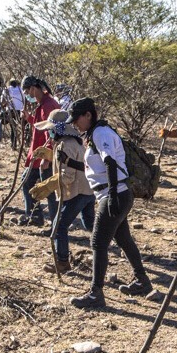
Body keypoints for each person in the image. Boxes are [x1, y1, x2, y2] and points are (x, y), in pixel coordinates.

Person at [66, 97, 153, 309]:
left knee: (97, 242)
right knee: (123, 238)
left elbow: (110, 162)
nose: (75, 124)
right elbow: (97, 166)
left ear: (88, 115)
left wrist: (112, 195)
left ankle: (96, 293)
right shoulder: (95, 133)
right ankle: (142, 282)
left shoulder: (101, 133)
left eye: (77, 119)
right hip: (114, 193)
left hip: (115, 194)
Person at [33, 108, 95, 273]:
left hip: (78, 192)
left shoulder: (64, 145)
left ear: (57, 129)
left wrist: (48, 185)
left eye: (50, 130)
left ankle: (62, 262)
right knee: (90, 224)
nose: (49, 133)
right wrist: (50, 155)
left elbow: (67, 176)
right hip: (88, 190)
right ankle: (105, 248)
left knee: (59, 226)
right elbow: (69, 162)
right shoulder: (73, 142)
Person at [19, 75, 60, 226]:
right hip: (39, 156)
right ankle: (35, 217)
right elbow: (40, 126)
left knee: (49, 191)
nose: (28, 94)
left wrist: (47, 158)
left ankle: (55, 226)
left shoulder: (49, 105)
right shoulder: (43, 104)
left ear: (35, 88)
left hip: (45, 158)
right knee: (30, 183)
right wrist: (29, 118)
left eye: (28, 90)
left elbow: (53, 133)